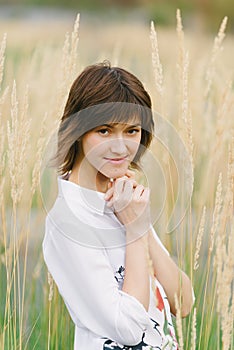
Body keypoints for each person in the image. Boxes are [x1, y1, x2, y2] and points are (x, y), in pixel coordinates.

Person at [42, 61, 194, 350]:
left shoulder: (124, 202)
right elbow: (127, 329)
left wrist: (138, 223)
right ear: (78, 130)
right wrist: (135, 228)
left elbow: (183, 302)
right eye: (104, 130)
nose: (121, 147)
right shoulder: (68, 223)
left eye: (132, 131)